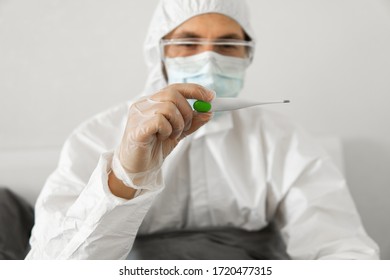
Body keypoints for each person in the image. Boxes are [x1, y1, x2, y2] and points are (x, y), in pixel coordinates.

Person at [26, 0, 379, 259]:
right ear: (159, 53)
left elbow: (339, 247)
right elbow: (54, 265)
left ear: (247, 55)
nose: (209, 59)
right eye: (188, 43)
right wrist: (124, 178)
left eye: (228, 45)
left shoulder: (281, 139)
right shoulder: (95, 137)